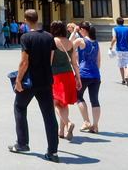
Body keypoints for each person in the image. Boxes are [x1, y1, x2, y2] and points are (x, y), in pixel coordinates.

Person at [8, 9, 59, 163]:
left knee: (19, 107)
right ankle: (53, 152)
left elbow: (24, 61)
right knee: (49, 115)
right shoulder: (49, 36)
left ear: (25, 20)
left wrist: (18, 80)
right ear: (37, 19)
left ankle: (22, 143)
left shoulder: (26, 37)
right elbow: (50, 59)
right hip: (46, 81)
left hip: (30, 82)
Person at [50, 21, 81, 141]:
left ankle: (68, 123)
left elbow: (50, 61)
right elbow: (74, 63)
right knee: (64, 103)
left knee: (55, 103)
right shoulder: (70, 43)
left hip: (56, 76)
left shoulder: (53, 42)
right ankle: (61, 131)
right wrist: (78, 78)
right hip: (68, 75)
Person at [74, 21, 101, 134]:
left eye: (80, 30)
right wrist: (96, 72)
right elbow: (98, 60)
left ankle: (86, 121)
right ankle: (95, 126)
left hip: (83, 73)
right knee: (94, 100)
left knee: (78, 95)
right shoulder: (96, 42)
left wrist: (73, 32)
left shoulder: (81, 40)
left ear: (83, 30)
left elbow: (68, 45)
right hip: (95, 74)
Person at [109, 17, 128, 87]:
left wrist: (111, 46)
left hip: (119, 49)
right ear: (123, 22)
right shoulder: (127, 29)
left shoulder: (114, 29)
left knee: (121, 65)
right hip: (126, 49)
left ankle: (123, 79)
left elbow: (114, 39)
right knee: (127, 64)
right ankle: (127, 76)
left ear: (117, 22)